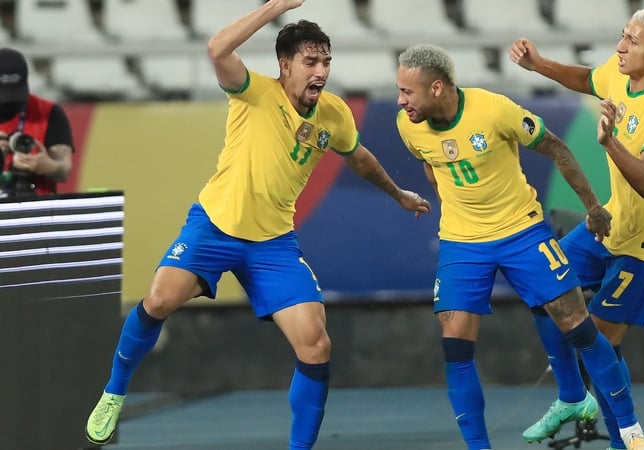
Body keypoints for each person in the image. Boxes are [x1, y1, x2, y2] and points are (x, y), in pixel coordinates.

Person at [85, 1, 431, 448]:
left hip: (272, 245)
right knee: (158, 299)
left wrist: (399, 195)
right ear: (285, 65)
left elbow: (359, 158)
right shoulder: (253, 91)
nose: (321, 71)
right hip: (214, 228)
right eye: (310, 61)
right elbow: (217, 48)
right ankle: (114, 391)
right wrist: (276, 7)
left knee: (316, 344)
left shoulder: (334, 114)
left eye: (326, 61)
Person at [395, 44, 644, 450]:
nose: (400, 101)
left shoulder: (494, 109)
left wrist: (593, 207)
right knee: (455, 345)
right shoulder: (408, 124)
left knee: (578, 325)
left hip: (522, 231)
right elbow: (430, 163)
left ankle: (631, 434)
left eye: (407, 92)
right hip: (462, 242)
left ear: (436, 88)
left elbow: (557, 148)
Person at [508, 7, 644, 450]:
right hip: (612, 222)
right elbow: (588, 77)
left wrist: (610, 142)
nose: (620, 47)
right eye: (622, 36)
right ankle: (573, 398)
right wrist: (540, 64)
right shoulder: (620, 74)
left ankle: (626, 439)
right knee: (544, 284)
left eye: (632, 41)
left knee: (598, 339)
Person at [0, 47, 73, 198]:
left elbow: (64, 168)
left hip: (36, 209)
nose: (8, 104)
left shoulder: (48, 112)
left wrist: (49, 166)